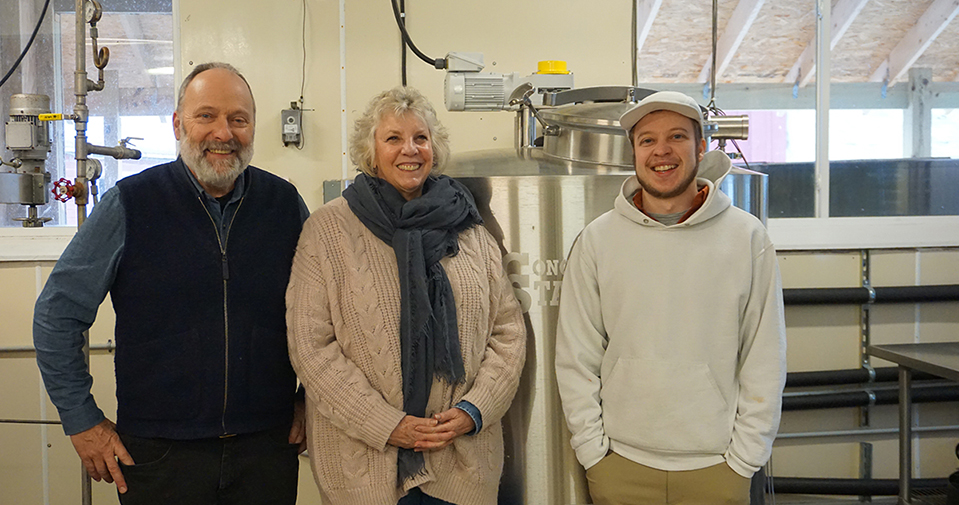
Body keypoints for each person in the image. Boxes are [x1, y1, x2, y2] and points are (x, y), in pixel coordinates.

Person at [33, 62, 309, 505]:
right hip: (160, 458)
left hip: (267, 453)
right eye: (207, 116)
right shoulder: (131, 204)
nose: (224, 132)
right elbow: (56, 314)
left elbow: (327, 317)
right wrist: (81, 419)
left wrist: (308, 400)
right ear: (178, 124)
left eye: (238, 119)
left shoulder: (284, 206)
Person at [286, 86, 526, 505]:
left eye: (420, 138)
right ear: (371, 150)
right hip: (365, 469)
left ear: (434, 147)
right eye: (393, 138)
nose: (409, 150)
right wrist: (386, 424)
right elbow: (310, 346)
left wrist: (474, 411)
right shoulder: (327, 230)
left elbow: (508, 332)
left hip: (461, 463)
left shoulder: (470, 229)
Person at [554, 91, 787, 505]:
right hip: (620, 465)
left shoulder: (746, 238)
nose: (661, 151)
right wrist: (593, 452)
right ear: (634, 153)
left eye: (677, 137)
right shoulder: (598, 240)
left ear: (700, 147)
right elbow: (577, 356)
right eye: (647, 140)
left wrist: (744, 459)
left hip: (717, 468)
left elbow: (764, 356)